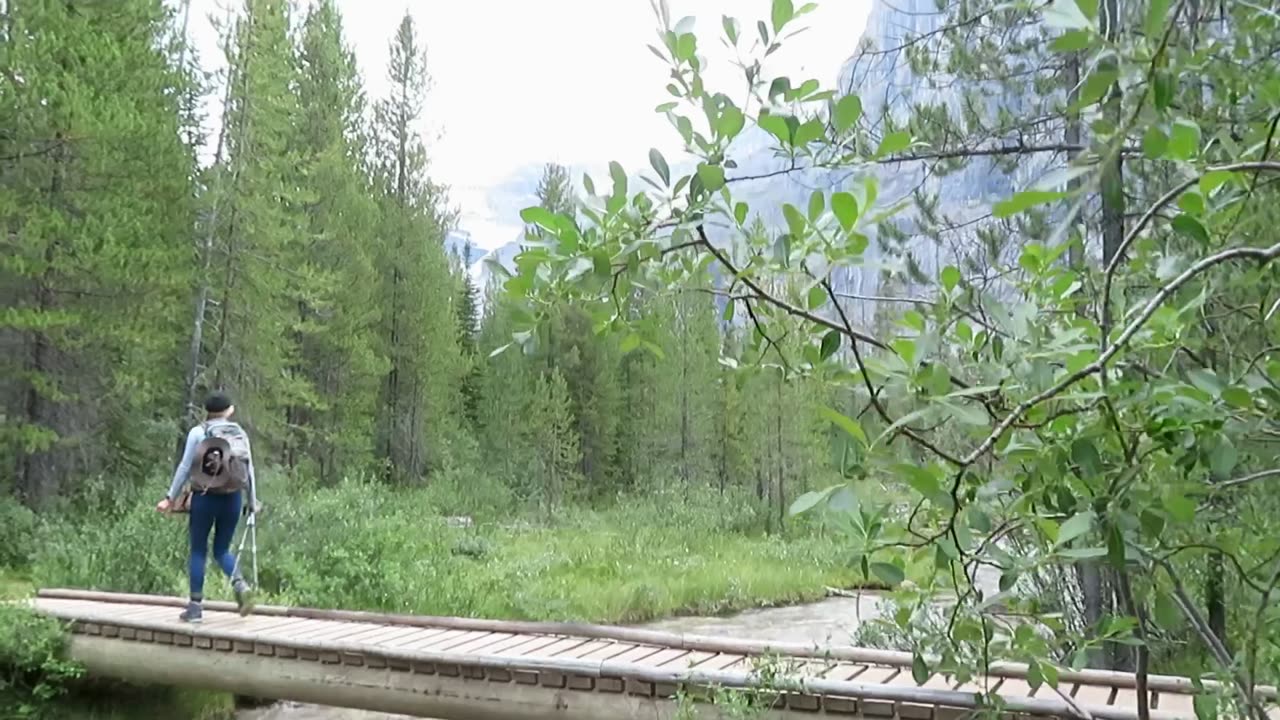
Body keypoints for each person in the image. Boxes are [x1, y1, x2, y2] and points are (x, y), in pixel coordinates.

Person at [156, 392, 257, 622]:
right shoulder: (239, 433)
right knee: (222, 550)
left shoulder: (198, 432)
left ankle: (195, 608)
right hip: (233, 497)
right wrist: (252, 501)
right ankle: (241, 586)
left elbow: (184, 467)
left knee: (199, 549)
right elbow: (248, 469)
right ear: (228, 410)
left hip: (204, 496)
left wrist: (169, 497)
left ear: (207, 411)